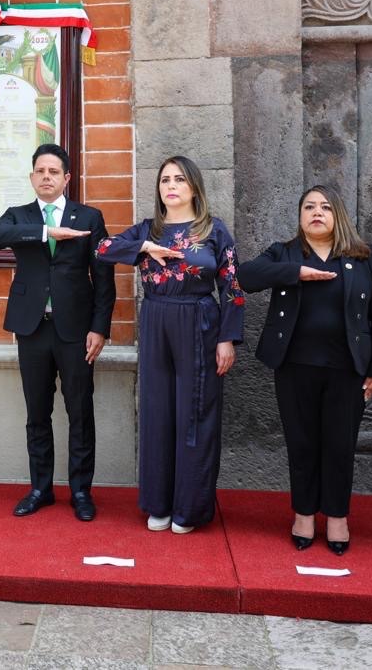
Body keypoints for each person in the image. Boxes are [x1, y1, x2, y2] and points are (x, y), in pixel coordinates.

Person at [237, 185, 372, 554]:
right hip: (294, 366)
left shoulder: (363, 256)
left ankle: (337, 517)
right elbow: (245, 276)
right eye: (309, 207)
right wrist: (296, 273)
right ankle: (304, 514)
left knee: (340, 445)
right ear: (300, 215)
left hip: (347, 368)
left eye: (325, 207)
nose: (317, 212)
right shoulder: (285, 252)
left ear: (338, 214)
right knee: (302, 443)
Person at [94, 156, 243, 533]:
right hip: (156, 319)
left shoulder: (214, 230)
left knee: (195, 412)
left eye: (179, 179)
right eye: (164, 180)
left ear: (194, 187)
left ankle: (188, 508)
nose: (171, 186)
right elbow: (102, 248)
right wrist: (145, 247)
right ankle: (158, 503)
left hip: (199, 321)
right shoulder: (148, 229)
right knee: (157, 411)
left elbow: (232, 287)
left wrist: (227, 338)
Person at [0, 143, 116, 522]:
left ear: (66, 178)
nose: (46, 177)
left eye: (53, 172)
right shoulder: (19, 216)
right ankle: (40, 489)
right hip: (32, 329)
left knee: (80, 412)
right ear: (32, 177)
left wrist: (99, 328)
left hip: (76, 331)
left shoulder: (89, 217)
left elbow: (104, 278)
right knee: (37, 413)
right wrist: (47, 231)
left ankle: (81, 491)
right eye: (40, 171)